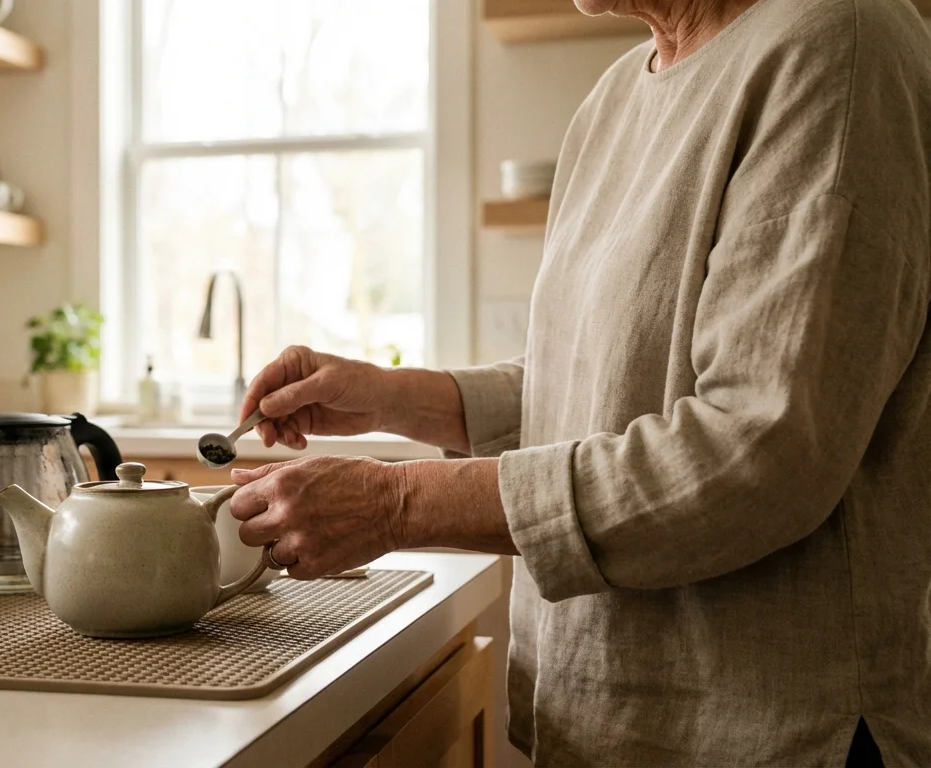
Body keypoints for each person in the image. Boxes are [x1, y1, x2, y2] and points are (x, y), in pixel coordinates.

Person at [227, 0, 931, 764]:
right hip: (606, 716)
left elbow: (756, 451)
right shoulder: (616, 96)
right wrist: (398, 397)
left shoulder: (837, 41)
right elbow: (588, 379)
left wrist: (397, 503)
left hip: (765, 733)